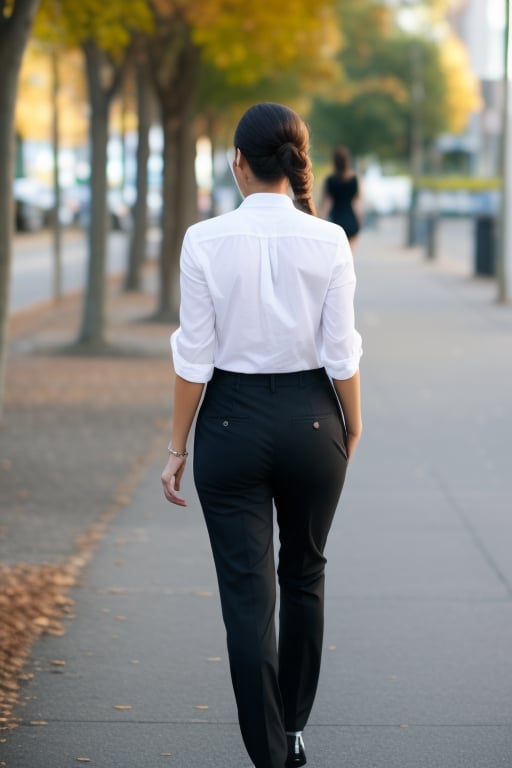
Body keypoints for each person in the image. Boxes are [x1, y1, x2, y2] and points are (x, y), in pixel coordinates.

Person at [161, 102, 362, 768]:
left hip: (228, 421)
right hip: (313, 418)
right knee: (304, 575)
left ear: (238, 162)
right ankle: (296, 726)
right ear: (296, 163)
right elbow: (342, 352)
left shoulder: (204, 240)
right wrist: (351, 422)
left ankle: (270, 753)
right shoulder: (329, 240)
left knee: (249, 598)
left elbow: (195, 356)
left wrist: (176, 446)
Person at [319, 145, 361, 245]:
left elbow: (324, 204)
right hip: (351, 220)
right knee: (349, 256)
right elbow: (358, 203)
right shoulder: (354, 179)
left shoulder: (330, 180)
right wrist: (359, 221)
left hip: (335, 221)